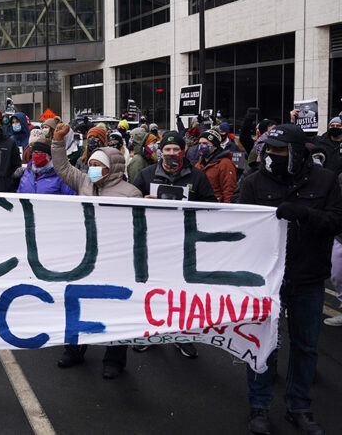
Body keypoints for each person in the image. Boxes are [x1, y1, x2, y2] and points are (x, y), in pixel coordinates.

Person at [235, 124, 342, 435]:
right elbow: (240, 227)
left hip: (308, 277)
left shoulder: (326, 181)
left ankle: (299, 407)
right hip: (268, 280)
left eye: (279, 151)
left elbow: (336, 220)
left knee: (306, 346)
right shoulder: (254, 182)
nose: (271, 156)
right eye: (268, 150)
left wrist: (304, 214)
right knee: (261, 344)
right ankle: (259, 406)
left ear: (296, 153)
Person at [50, 123, 141, 377]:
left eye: (98, 166)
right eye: (90, 164)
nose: (92, 170)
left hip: (116, 262)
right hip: (86, 258)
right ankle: (74, 349)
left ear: (112, 168)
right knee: (79, 303)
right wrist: (57, 142)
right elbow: (62, 167)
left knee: (115, 309)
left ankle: (114, 359)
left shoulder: (131, 194)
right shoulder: (85, 183)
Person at [133, 131, 215, 359]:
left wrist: (193, 206)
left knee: (182, 295)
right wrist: (139, 201)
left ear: (183, 151)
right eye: (167, 150)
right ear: (161, 151)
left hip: (185, 245)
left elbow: (212, 206)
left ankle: (182, 337)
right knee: (151, 293)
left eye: (176, 150)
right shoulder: (146, 175)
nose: (171, 153)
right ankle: (148, 334)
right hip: (152, 245)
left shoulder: (197, 177)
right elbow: (127, 202)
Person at [194, 129, 237, 203]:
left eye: (205, 143)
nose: (202, 146)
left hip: (216, 207)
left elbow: (228, 191)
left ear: (215, 146)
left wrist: (227, 210)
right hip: (201, 206)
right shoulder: (198, 164)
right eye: (200, 143)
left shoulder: (225, 164)